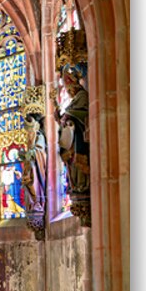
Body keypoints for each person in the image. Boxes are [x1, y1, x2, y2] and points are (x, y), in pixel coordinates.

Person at [55, 65, 90, 194]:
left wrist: (67, 116)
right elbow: (67, 119)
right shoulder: (74, 99)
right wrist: (59, 118)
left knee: (78, 162)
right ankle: (75, 184)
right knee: (71, 162)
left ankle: (81, 184)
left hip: (80, 137)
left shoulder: (82, 95)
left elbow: (84, 113)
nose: (67, 91)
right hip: (73, 140)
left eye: (68, 87)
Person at [22, 113, 47, 212]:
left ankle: (37, 202)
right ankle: (33, 203)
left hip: (36, 164)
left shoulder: (39, 136)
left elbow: (40, 151)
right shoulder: (31, 136)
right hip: (29, 163)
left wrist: (32, 152)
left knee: (33, 181)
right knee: (27, 182)